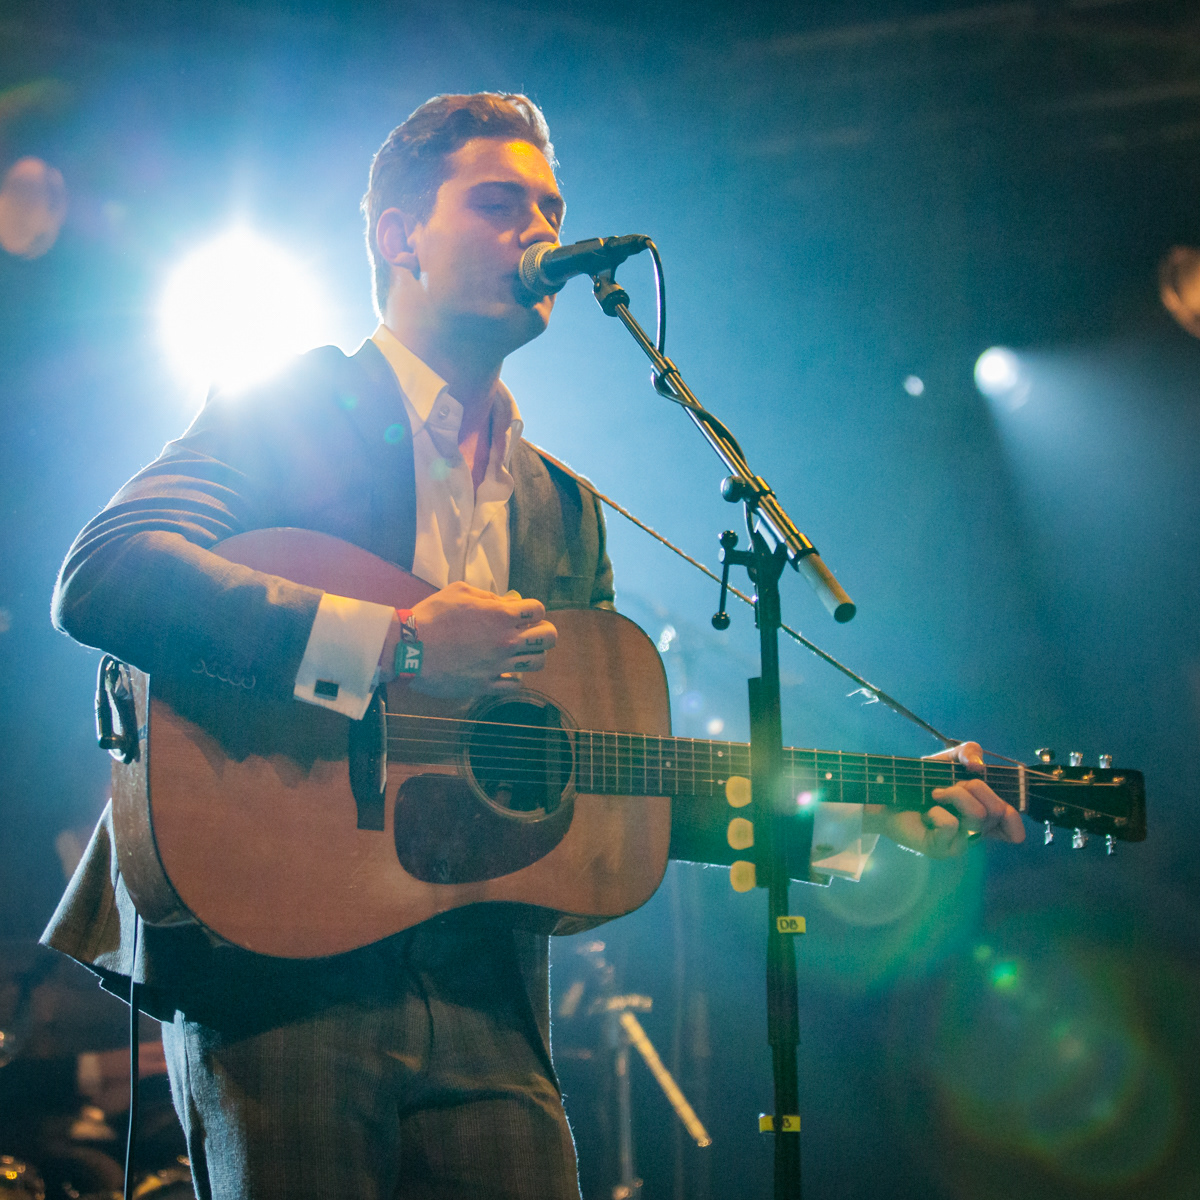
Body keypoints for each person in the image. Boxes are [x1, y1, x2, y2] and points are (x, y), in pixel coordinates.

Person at [41, 92, 1024, 1200]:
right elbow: (105, 573)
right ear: (399, 236)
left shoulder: (562, 508)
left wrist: (862, 812)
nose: (542, 232)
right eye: (499, 203)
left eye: (551, 207)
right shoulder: (296, 406)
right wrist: (399, 649)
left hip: (488, 995)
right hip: (278, 970)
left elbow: (601, 784)